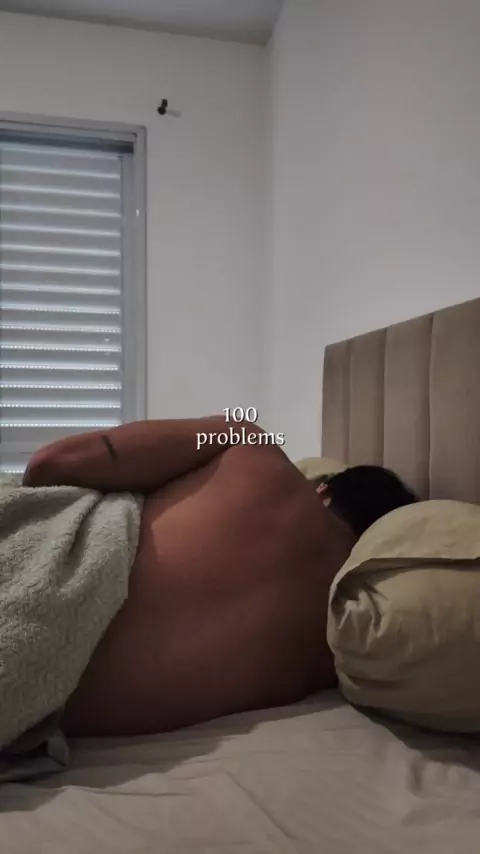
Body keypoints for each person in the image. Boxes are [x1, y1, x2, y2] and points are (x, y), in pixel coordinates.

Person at [23, 416, 417, 738]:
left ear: (323, 490)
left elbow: (50, 464)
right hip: (31, 707)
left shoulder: (249, 442)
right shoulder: (332, 656)